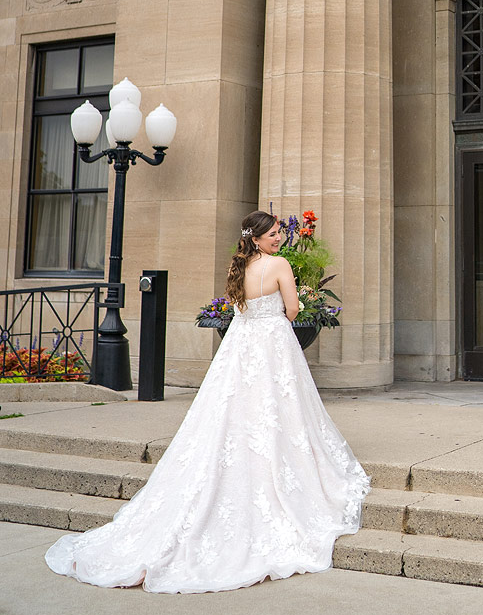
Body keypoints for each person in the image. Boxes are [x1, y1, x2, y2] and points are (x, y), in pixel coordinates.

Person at [44, 210, 370, 593]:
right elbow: (294, 309)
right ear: (260, 235)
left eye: (281, 233)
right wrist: (285, 308)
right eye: (275, 233)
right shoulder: (280, 265)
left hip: (241, 344)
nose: (280, 239)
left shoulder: (240, 267)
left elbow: (239, 309)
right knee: (281, 406)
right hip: (273, 344)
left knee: (234, 406)